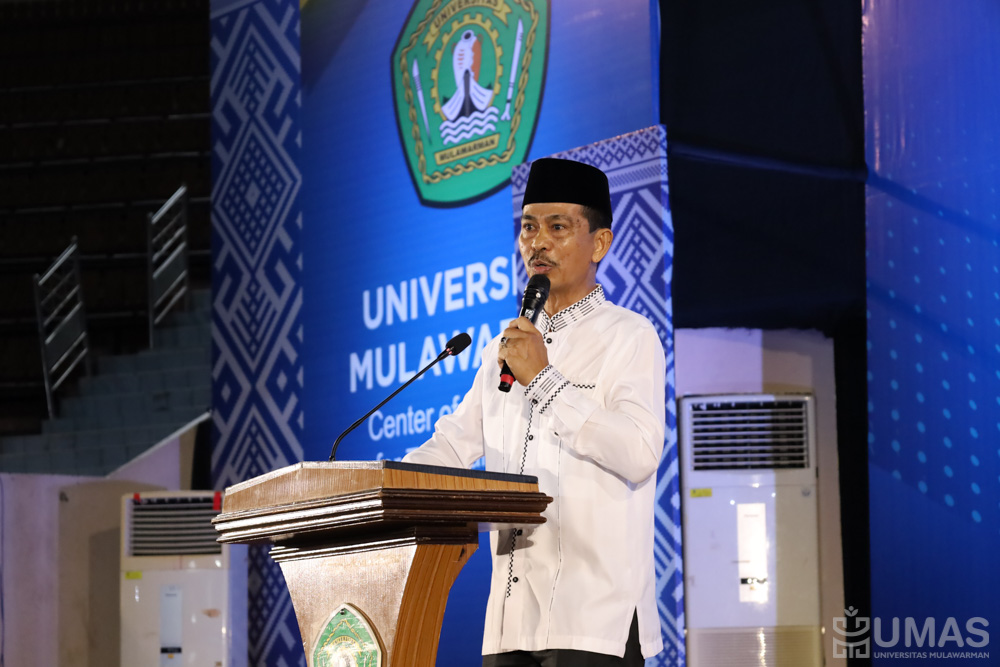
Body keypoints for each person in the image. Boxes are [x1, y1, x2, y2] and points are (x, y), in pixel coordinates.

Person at [403, 157, 665, 666]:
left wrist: (544, 380)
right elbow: (454, 446)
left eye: (557, 227)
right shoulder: (505, 346)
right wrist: (384, 482)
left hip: (593, 620)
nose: (537, 242)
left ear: (600, 243)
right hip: (510, 620)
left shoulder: (629, 336)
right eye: (528, 228)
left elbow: (638, 453)